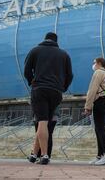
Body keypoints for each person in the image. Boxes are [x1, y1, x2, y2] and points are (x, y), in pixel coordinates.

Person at [24, 32, 73, 165]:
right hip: (56, 92)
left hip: (40, 89)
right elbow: (70, 75)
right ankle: (34, 154)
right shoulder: (64, 55)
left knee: (42, 122)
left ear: (45, 38)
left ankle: (44, 155)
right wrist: (62, 87)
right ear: (56, 41)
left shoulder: (35, 51)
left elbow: (26, 71)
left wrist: (31, 82)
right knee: (43, 123)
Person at [85, 58, 105, 165]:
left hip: (100, 103)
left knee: (100, 129)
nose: (93, 65)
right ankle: (100, 155)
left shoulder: (98, 72)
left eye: (94, 62)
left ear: (98, 63)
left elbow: (92, 90)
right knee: (99, 129)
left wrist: (87, 106)